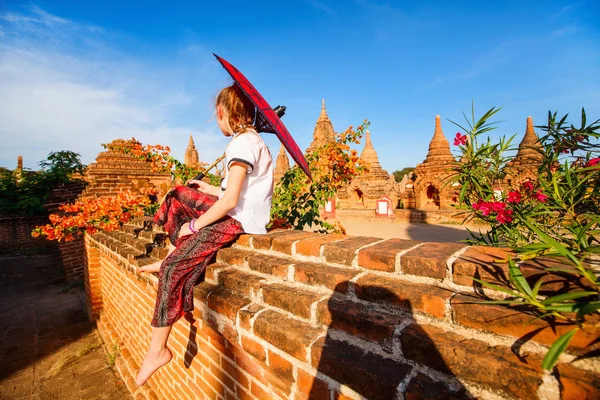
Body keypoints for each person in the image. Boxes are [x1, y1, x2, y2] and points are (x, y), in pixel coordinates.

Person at [135, 84, 274, 386]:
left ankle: (157, 351)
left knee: (172, 272)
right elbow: (231, 191)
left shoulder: (242, 145)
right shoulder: (248, 142)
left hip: (237, 220)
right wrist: (208, 189)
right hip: (238, 211)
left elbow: (230, 202)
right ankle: (176, 254)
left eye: (217, 114)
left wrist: (194, 227)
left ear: (223, 113)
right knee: (178, 196)